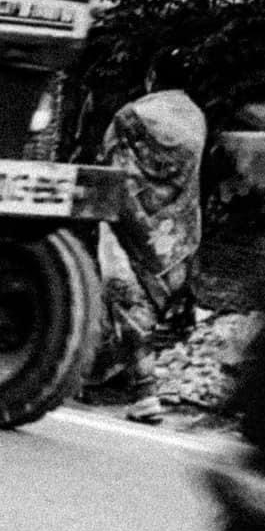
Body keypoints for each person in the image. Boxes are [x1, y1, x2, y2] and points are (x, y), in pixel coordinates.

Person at [87, 89, 208, 423]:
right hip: (173, 242)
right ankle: (113, 381)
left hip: (125, 229)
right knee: (149, 308)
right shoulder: (193, 124)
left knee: (126, 300)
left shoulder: (130, 124)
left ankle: (144, 393)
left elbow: (111, 164)